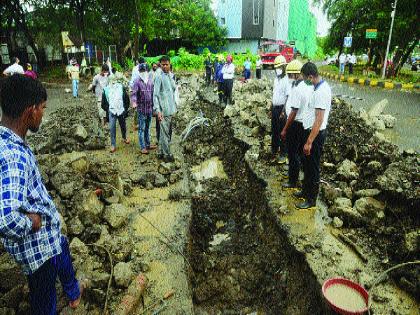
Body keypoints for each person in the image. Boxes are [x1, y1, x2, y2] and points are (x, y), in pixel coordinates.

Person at [0, 75, 85, 315]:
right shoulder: (13, 156)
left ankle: (73, 292)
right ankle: (70, 295)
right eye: (43, 109)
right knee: (44, 300)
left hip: (50, 236)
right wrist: (31, 221)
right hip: (37, 251)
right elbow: (5, 218)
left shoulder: (8, 142)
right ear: (31, 110)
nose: (43, 115)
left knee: (63, 252)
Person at [296, 62, 332, 209]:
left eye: (304, 77)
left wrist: (309, 141)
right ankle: (305, 191)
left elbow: (319, 119)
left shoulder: (321, 92)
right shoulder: (316, 87)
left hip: (315, 135)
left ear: (310, 77)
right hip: (310, 132)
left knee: (313, 167)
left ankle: (311, 200)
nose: (303, 80)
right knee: (307, 164)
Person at [280, 60, 312, 188]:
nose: (289, 78)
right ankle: (296, 177)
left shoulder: (300, 88)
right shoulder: (306, 86)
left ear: (296, 74)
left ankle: (292, 181)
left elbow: (294, 111)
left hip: (295, 123)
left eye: (290, 75)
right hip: (304, 124)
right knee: (298, 153)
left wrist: (285, 128)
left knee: (293, 153)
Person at [153, 55, 177, 162]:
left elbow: (173, 89)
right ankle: (167, 154)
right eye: (163, 65)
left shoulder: (170, 76)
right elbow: (155, 95)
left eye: (167, 64)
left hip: (170, 109)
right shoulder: (159, 77)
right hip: (163, 111)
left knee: (164, 132)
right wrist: (158, 111)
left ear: (169, 64)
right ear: (160, 65)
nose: (165, 66)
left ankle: (161, 152)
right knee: (165, 133)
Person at [131, 63, 157, 154]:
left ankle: (148, 144)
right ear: (139, 72)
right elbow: (133, 94)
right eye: (142, 71)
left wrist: (155, 107)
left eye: (145, 71)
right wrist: (134, 103)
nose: (144, 72)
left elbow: (153, 94)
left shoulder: (150, 81)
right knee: (141, 129)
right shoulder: (137, 81)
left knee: (148, 128)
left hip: (149, 109)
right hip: (141, 109)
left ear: (148, 71)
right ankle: (143, 147)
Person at [101, 72, 130, 153]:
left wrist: (125, 109)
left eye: (114, 81)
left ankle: (124, 137)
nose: (113, 82)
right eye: (111, 81)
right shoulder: (106, 90)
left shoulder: (121, 88)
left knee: (123, 125)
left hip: (121, 110)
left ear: (117, 81)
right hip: (112, 111)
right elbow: (103, 104)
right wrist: (109, 109)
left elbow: (126, 99)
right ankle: (113, 144)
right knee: (112, 128)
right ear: (109, 81)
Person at [271, 55, 290, 164]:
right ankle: (274, 151)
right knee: (274, 131)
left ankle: (283, 153)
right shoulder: (276, 79)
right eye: (276, 68)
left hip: (282, 109)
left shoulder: (286, 80)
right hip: (274, 108)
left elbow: (288, 96)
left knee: (282, 132)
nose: (277, 70)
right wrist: (271, 108)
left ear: (283, 67)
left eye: (279, 67)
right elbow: (274, 95)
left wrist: (283, 111)